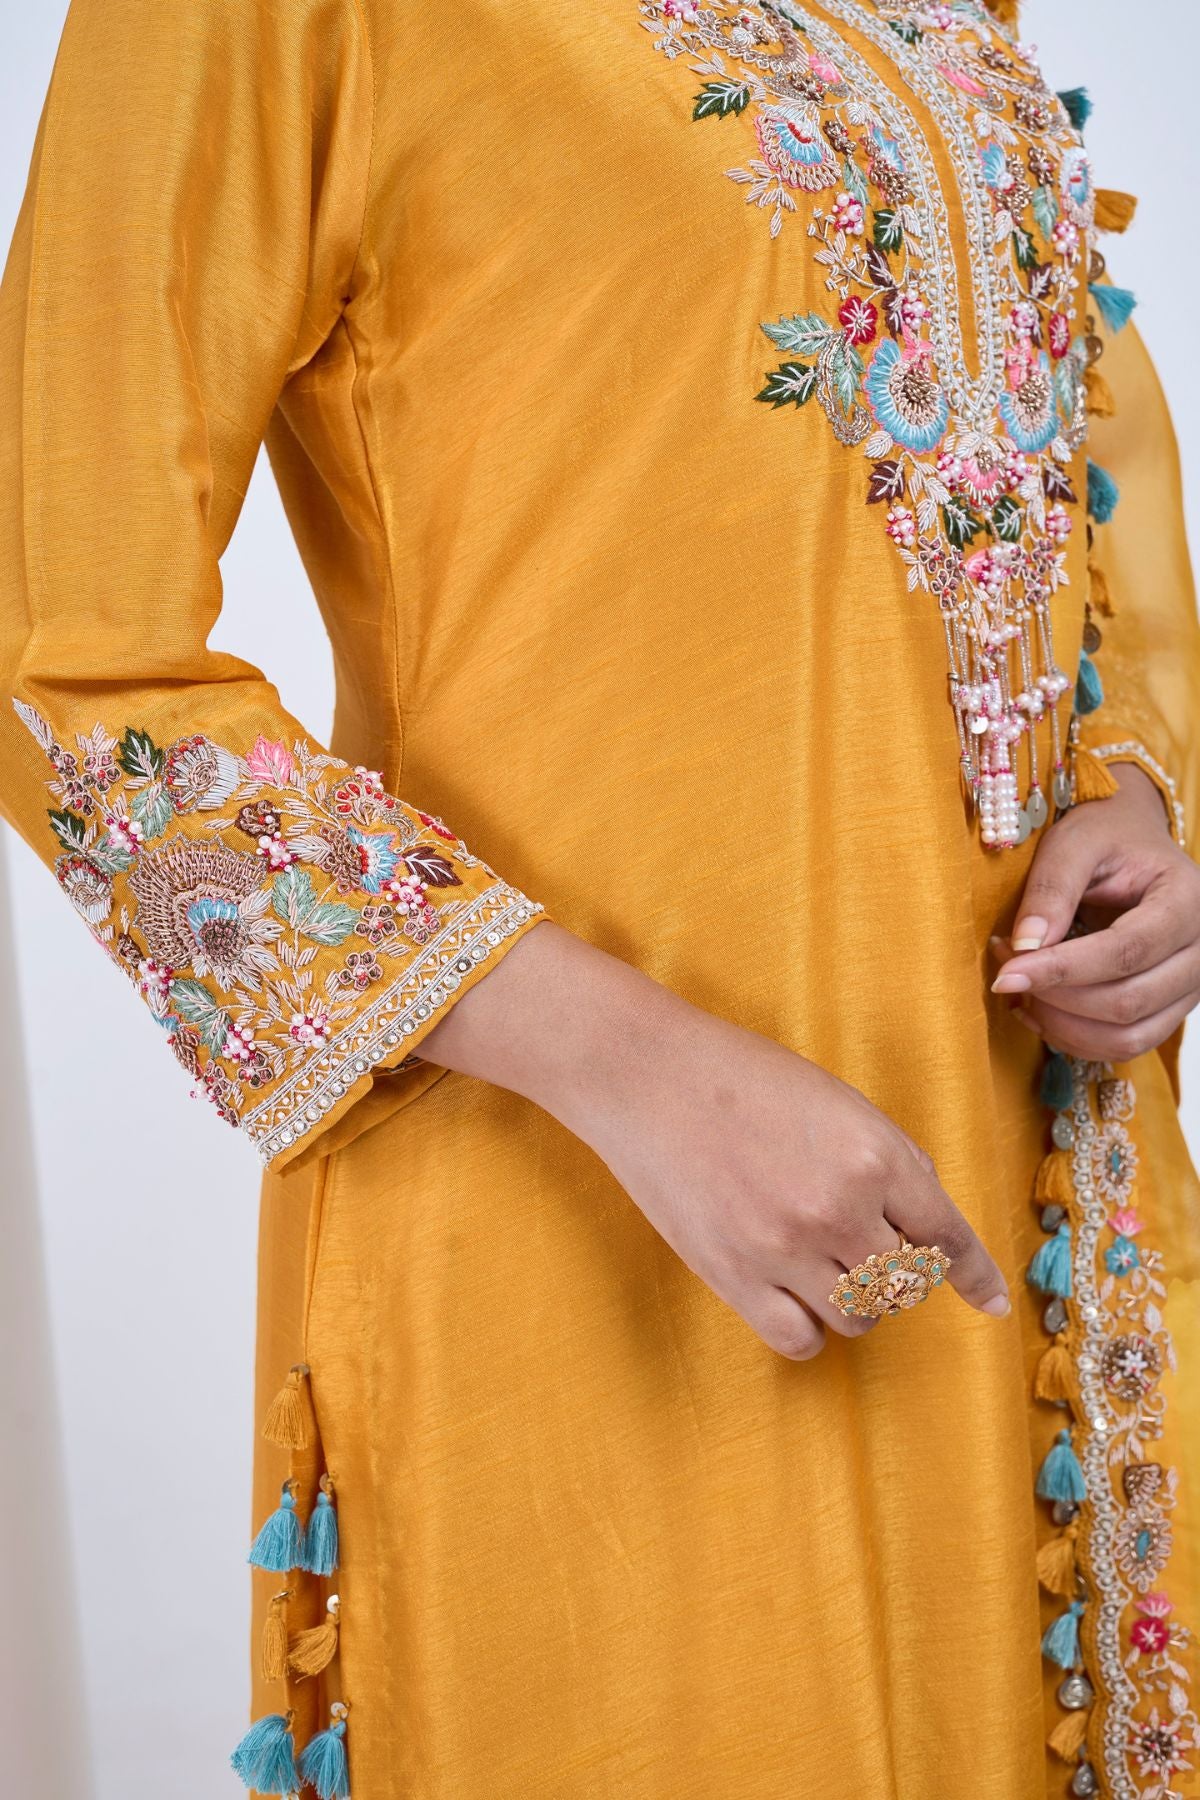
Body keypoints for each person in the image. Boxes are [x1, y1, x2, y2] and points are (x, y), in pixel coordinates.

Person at [2, 0, 1197, 1794]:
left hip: (1031, 1208)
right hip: (593, 1204)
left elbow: (1071, 489)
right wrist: (629, 1062)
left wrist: (1136, 794)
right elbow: (57, 651)